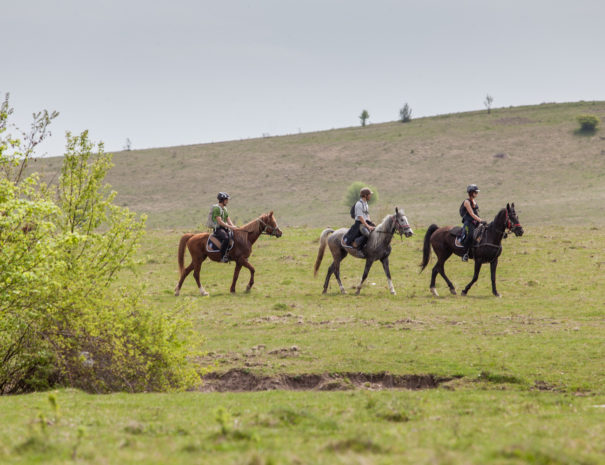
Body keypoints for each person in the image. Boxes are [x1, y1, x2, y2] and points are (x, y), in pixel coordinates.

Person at [346, 187, 376, 257]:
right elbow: (360, 217)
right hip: (359, 224)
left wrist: (370, 222)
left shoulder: (366, 204)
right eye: (369, 194)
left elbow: (367, 214)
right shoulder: (359, 204)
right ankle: (358, 249)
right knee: (367, 234)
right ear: (365, 195)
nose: (370, 196)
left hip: (365, 222)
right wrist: (368, 226)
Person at [458, 184, 485, 262]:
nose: (477, 194)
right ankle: (464, 254)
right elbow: (471, 214)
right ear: (471, 192)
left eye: (477, 192)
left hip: (475, 222)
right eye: (475, 192)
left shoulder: (474, 201)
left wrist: (482, 221)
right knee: (470, 235)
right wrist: (480, 220)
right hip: (468, 222)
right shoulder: (466, 202)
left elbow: (476, 213)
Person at [212, 192, 236, 262]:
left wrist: (234, 227)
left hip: (224, 228)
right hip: (218, 229)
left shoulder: (225, 209)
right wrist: (230, 227)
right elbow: (220, 222)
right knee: (226, 238)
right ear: (222, 200)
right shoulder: (216, 209)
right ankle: (222, 256)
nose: (227, 201)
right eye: (226, 200)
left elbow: (228, 219)